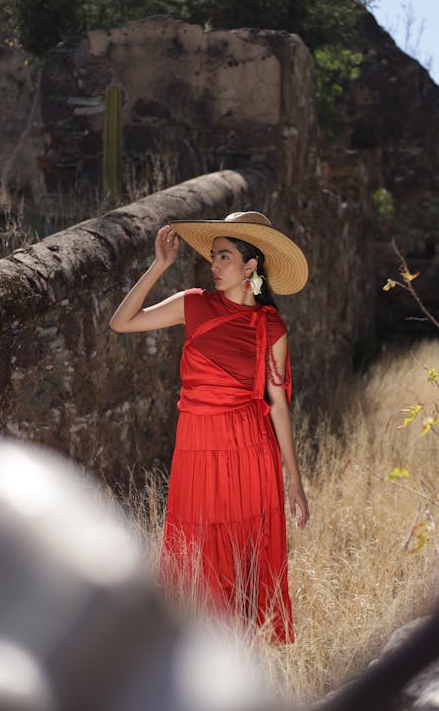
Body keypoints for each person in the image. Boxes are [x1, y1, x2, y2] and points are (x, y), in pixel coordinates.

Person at [110, 211, 309, 642]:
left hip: (250, 450)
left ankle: (241, 662)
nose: (214, 266)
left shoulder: (270, 325)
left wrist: (294, 479)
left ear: (250, 266)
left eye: (225, 256)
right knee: (195, 554)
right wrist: (159, 266)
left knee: (244, 555)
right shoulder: (194, 303)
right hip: (197, 445)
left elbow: (277, 406)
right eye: (213, 257)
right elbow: (121, 322)